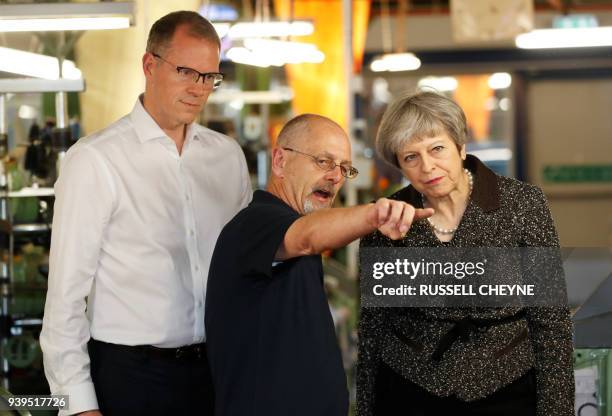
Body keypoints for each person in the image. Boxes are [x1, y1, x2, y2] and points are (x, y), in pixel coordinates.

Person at [40, 11, 251, 416]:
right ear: (149, 65)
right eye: (187, 71)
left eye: (209, 77)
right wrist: (79, 405)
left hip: (217, 370)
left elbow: (242, 268)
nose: (198, 89)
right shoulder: (95, 160)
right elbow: (65, 299)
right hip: (131, 376)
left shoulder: (227, 158)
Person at [357, 91, 574, 416]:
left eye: (437, 148)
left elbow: (551, 320)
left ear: (460, 146)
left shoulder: (523, 204)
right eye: (410, 157)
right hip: (411, 389)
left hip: (507, 388)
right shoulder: (385, 218)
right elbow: (373, 326)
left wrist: (557, 410)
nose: (427, 166)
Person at [205, 114, 433, 416]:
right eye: (323, 161)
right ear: (280, 161)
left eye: (344, 168)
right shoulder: (256, 222)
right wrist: (376, 214)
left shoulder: (292, 228)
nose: (336, 177)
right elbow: (308, 237)